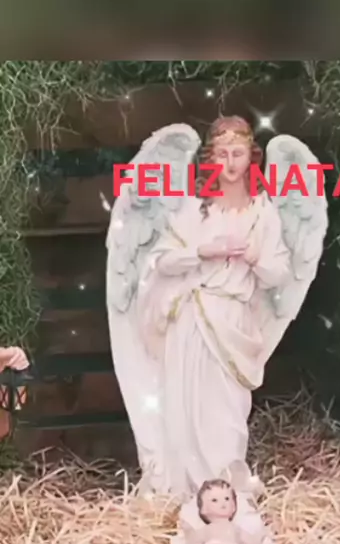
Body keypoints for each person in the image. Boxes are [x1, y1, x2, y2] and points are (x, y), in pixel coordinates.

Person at [106, 116, 328, 497]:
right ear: (210, 158)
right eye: (222, 154)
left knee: (227, 415)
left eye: (237, 154)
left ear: (251, 157)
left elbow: (279, 274)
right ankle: (187, 494)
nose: (230, 163)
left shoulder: (263, 213)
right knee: (185, 408)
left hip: (234, 322)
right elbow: (160, 261)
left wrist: (256, 258)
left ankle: (224, 493)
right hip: (191, 319)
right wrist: (201, 251)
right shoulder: (192, 210)